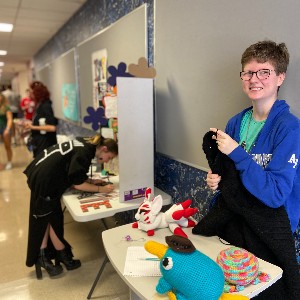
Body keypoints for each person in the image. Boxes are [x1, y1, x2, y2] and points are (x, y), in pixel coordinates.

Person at [198, 41, 300, 299]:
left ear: (280, 77)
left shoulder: (289, 128)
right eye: (248, 72)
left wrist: (236, 152)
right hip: (235, 225)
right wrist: (216, 180)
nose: (254, 79)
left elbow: (276, 194)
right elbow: (230, 177)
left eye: (264, 72)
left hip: (270, 232)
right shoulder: (235, 122)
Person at [24, 134, 118, 279]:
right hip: (45, 179)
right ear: (104, 149)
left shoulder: (85, 142)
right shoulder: (85, 152)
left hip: (42, 172)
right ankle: (49, 256)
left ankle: (55, 253)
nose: (108, 161)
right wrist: (101, 190)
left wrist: (90, 180)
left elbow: (74, 171)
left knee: (50, 217)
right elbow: (77, 184)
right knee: (46, 218)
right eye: (110, 157)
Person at [23, 81, 57, 157]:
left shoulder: (46, 106)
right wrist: (31, 123)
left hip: (45, 145)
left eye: (31, 92)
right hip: (40, 144)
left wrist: (32, 127)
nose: (30, 94)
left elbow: (52, 127)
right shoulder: (39, 105)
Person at [0, 93, 13, 170]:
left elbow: (10, 119)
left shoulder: (6, 107)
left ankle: (9, 162)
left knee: (7, 146)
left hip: (5, 128)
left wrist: (7, 129)